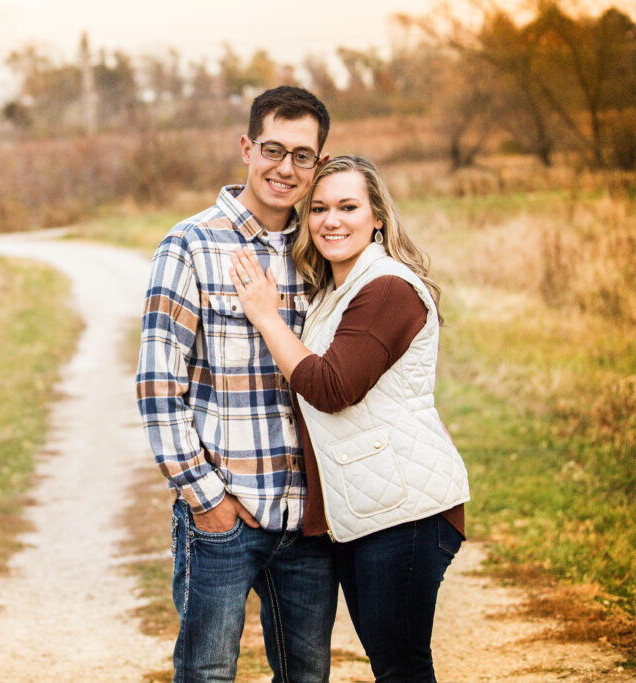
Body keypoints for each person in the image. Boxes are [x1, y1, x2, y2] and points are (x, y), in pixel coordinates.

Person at [228, 154, 470, 683]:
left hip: (404, 514)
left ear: (377, 216)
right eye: (318, 209)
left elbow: (331, 388)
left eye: (347, 207)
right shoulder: (336, 293)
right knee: (393, 665)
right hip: (369, 512)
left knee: (402, 667)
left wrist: (266, 317)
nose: (331, 221)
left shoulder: (387, 289)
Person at [135, 86, 337, 683]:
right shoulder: (190, 244)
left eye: (303, 155)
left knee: (308, 675)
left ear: (319, 164)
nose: (285, 168)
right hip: (224, 513)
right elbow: (156, 386)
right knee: (208, 673)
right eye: (273, 149)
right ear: (247, 148)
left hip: (307, 522)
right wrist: (207, 500)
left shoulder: (321, 249)